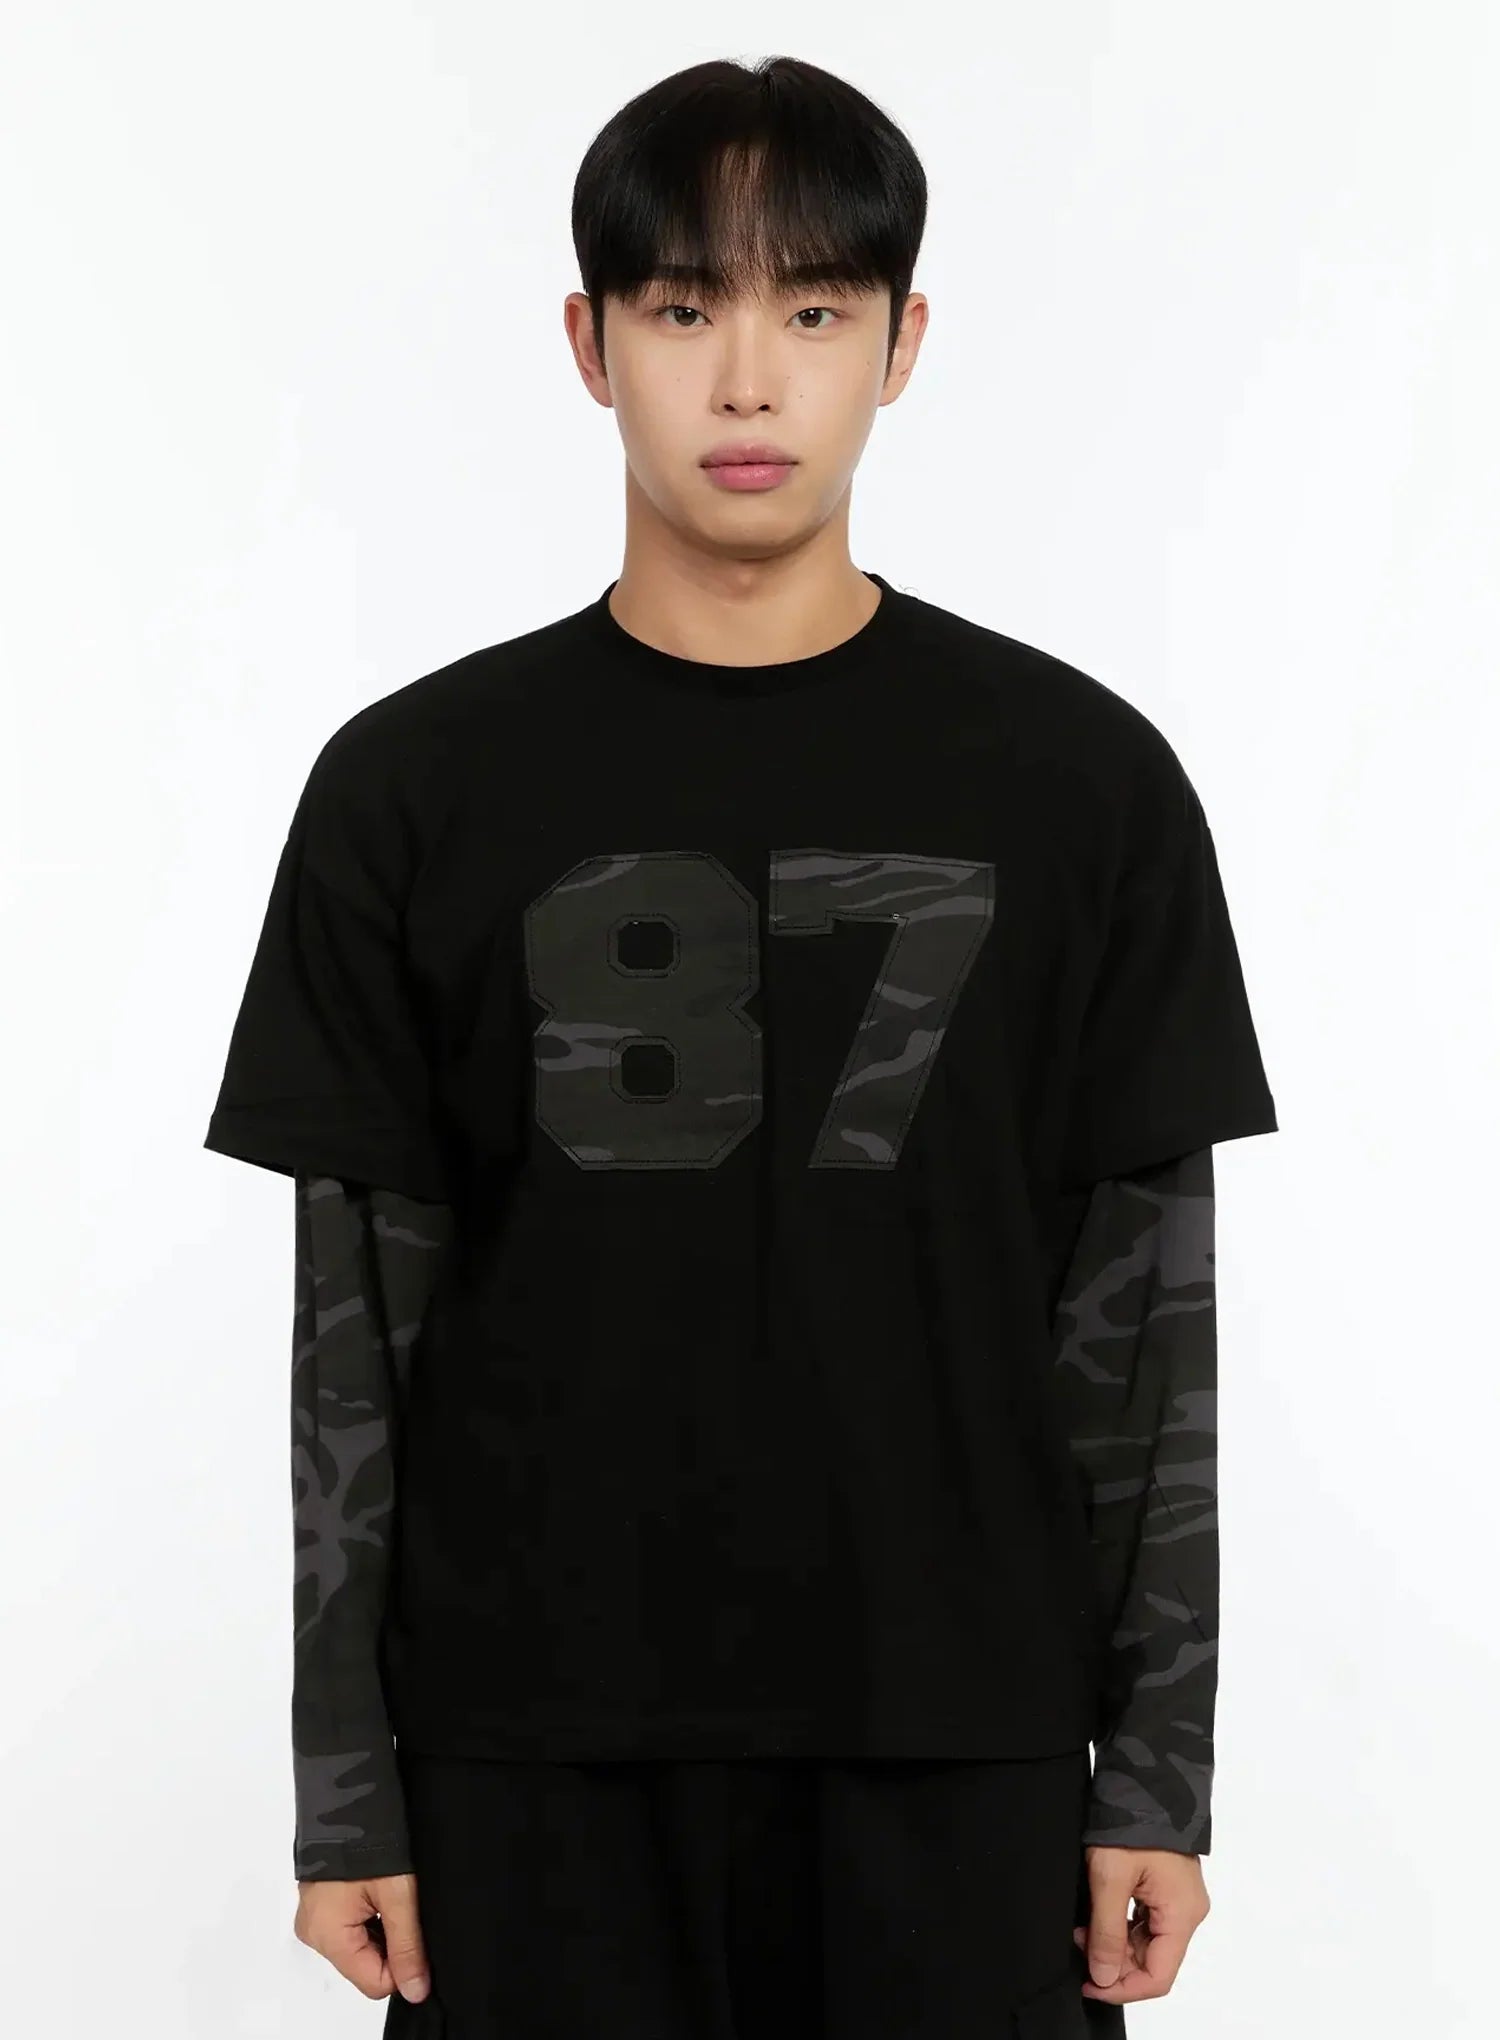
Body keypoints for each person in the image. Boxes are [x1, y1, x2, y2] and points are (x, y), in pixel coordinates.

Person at [203, 52, 1277, 2040]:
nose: (752, 383)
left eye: (818, 312)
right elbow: (357, 1328)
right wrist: (348, 1787)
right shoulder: (414, 789)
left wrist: (1156, 1773)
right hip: (528, 1753)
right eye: (687, 309)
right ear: (591, 345)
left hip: (966, 1747)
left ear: (904, 344)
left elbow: (1140, 1325)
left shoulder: (1084, 786)